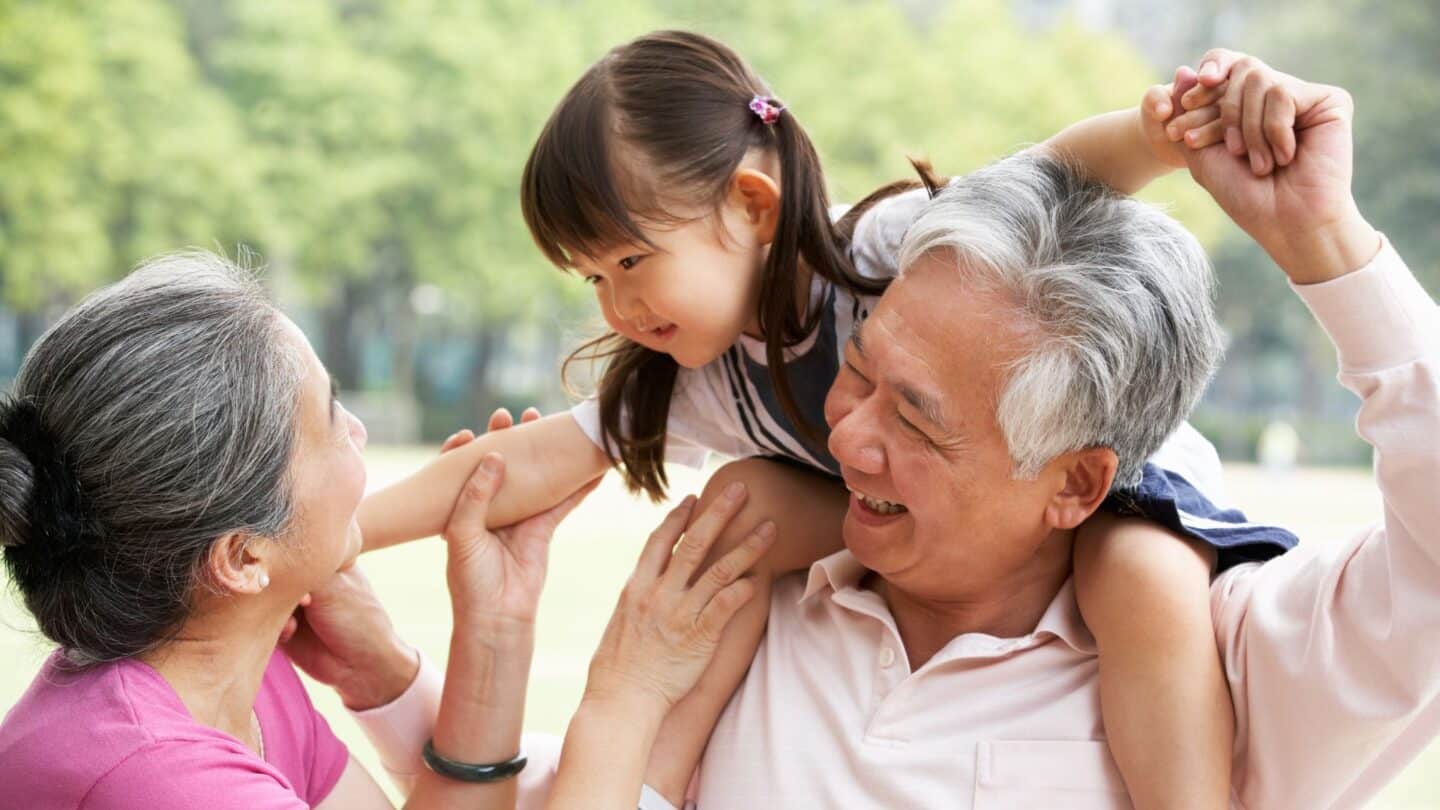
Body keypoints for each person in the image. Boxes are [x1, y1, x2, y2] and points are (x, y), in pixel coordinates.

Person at [355, 31, 1298, 808]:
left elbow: (1054, 174)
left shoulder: (877, 248)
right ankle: (657, 760)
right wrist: (333, 536)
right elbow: (524, 462)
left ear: (752, 204)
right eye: (592, 278)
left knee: (1137, 573)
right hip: (916, 500)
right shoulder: (704, 378)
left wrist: (1165, 136)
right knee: (740, 508)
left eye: (630, 264)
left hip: (1111, 473)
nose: (613, 305)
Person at [0, 252, 773, 810]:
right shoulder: (159, 777)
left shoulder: (225, 671)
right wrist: (629, 699)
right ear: (241, 557)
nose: (361, 432)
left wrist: (493, 626)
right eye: (332, 420)